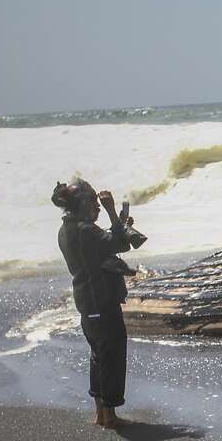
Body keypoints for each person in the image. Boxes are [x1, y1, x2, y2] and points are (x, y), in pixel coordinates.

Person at [52, 178, 139, 428]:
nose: (98, 205)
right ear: (80, 204)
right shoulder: (85, 230)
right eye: (93, 200)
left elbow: (98, 247)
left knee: (99, 354)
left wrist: (118, 225)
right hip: (101, 301)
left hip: (87, 302)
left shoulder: (68, 229)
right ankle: (109, 415)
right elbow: (120, 244)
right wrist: (113, 212)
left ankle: (101, 413)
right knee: (110, 354)